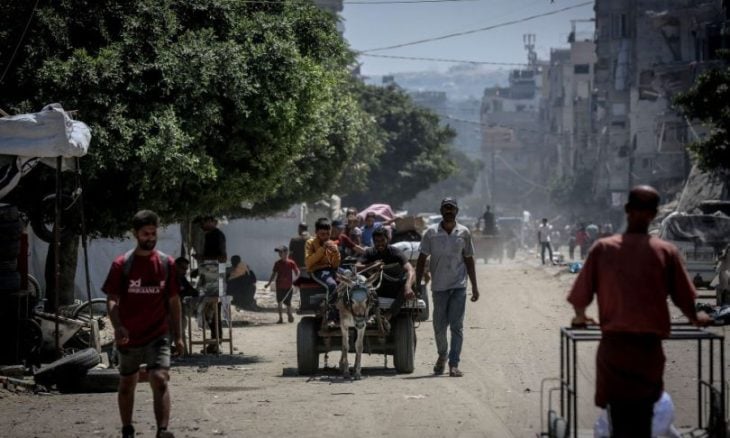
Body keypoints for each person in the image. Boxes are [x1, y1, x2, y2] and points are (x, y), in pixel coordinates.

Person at [567, 185, 710, 437]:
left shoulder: (604, 249)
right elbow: (685, 298)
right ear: (655, 214)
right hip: (648, 352)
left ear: (626, 210)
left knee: (619, 414)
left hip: (614, 350)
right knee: (644, 413)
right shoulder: (665, 252)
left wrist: (580, 316)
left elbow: (581, 295)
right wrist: (695, 318)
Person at [102, 210, 182, 438]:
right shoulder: (122, 265)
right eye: (146, 233)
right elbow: (112, 299)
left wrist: (178, 335)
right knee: (127, 383)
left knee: (160, 379)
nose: (150, 238)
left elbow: (174, 300)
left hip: (158, 333)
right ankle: (127, 428)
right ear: (135, 234)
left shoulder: (166, 264)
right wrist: (118, 326)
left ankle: (162, 430)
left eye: (153, 233)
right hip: (130, 335)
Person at [416, 197, 479, 377]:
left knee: (456, 327)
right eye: (446, 208)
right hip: (439, 287)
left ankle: (453, 363)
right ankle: (442, 355)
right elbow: (421, 259)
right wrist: (417, 284)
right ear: (441, 211)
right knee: (439, 326)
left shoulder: (464, 232)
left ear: (456, 211)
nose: (449, 211)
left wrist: (474, 286)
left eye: (452, 208)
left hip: (459, 286)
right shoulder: (431, 233)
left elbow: (469, 259)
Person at [356, 228, 416, 317]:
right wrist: (372, 265)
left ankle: (390, 314)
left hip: (393, 287)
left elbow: (410, 270)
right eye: (377, 241)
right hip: (375, 289)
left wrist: (408, 287)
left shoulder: (395, 252)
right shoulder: (369, 252)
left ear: (387, 239)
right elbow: (356, 267)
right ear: (373, 241)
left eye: (382, 240)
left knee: (411, 280)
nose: (380, 244)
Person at [305, 218, 341, 324]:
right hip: (317, 270)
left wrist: (336, 253)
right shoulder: (310, 243)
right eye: (322, 234)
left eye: (327, 234)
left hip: (331, 269)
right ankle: (331, 316)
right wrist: (322, 249)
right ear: (316, 233)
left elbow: (335, 265)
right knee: (332, 285)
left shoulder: (332, 243)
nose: (325, 237)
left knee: (353, 280)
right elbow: (309, 262)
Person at [264, 246, 300, 323]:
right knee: (279, 302)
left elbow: (297, 272)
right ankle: (280, 318)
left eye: (281, 252)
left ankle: (289, 313)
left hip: (288, 286)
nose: (279, 254)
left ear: (286, 253)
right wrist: (269, 283)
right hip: (279, 286)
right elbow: (274, 274)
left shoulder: (291, 263)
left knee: (288, 303)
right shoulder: (277, 263)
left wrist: (296, 281)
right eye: (279, 252)